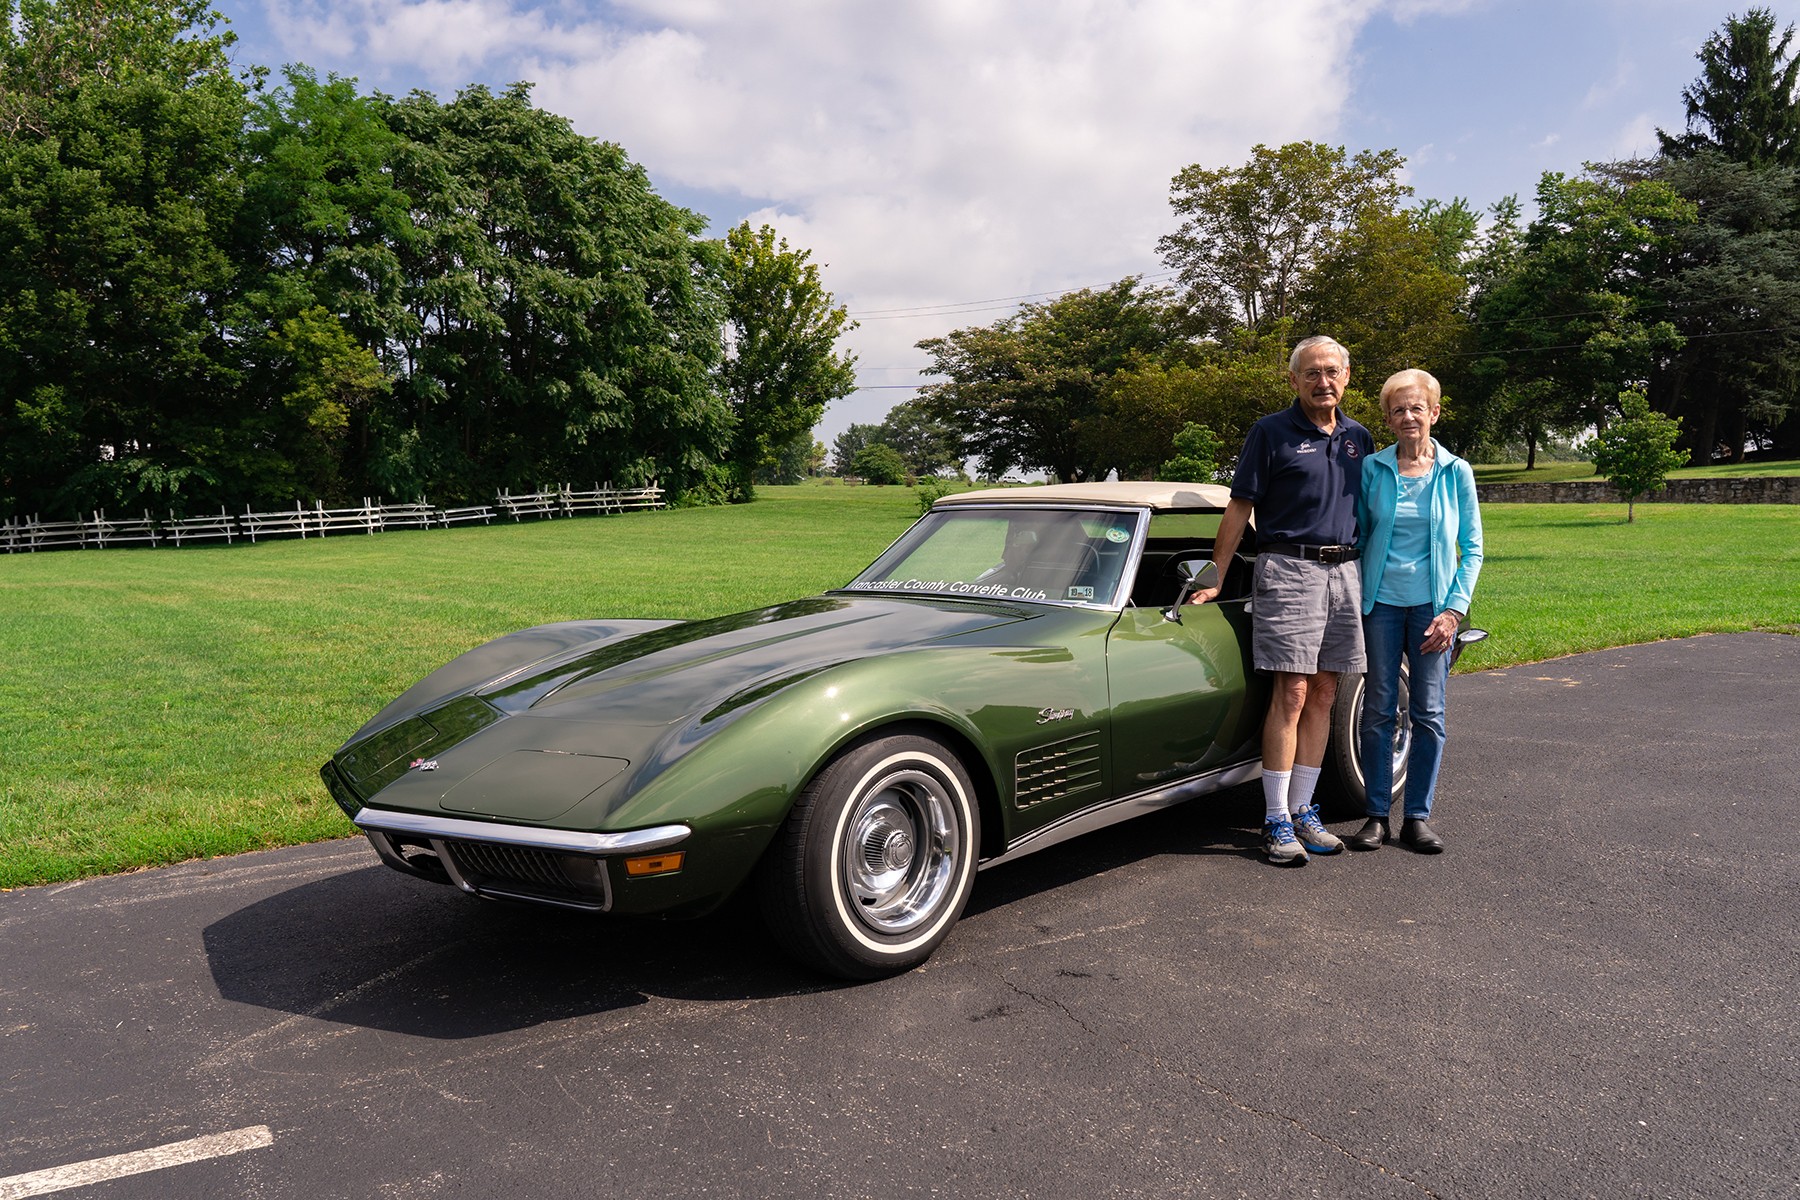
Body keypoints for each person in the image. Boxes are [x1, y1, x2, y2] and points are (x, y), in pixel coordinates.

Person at [1189, 336, 1373, 866]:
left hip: (1346, 571)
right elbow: (1239, 507)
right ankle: (1274, 820)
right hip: (1289, 570)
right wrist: (1217, 575)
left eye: (1331, 372)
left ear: (1347, 376)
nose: (1323, 381)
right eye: (1311, 373)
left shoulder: (1359, 438)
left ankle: (1303, 811)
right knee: (1291, 691)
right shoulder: (1270, 432)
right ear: (1294, 380)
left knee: (1325, 691)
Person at [1347, 368, 1483, 853]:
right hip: (1381, 606)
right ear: (1388, 419)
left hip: (1432, 610)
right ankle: (1376, 816)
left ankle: (1417, 818)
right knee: (1378, 711)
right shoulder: (1373, 469)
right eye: (1398, 409)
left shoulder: (1456, 471)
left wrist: (1453, 612)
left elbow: (1473, 548)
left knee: (1428, 714)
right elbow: (1360, 535)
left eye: (1417, 408)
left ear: (1435, 413)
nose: (1408, 416)